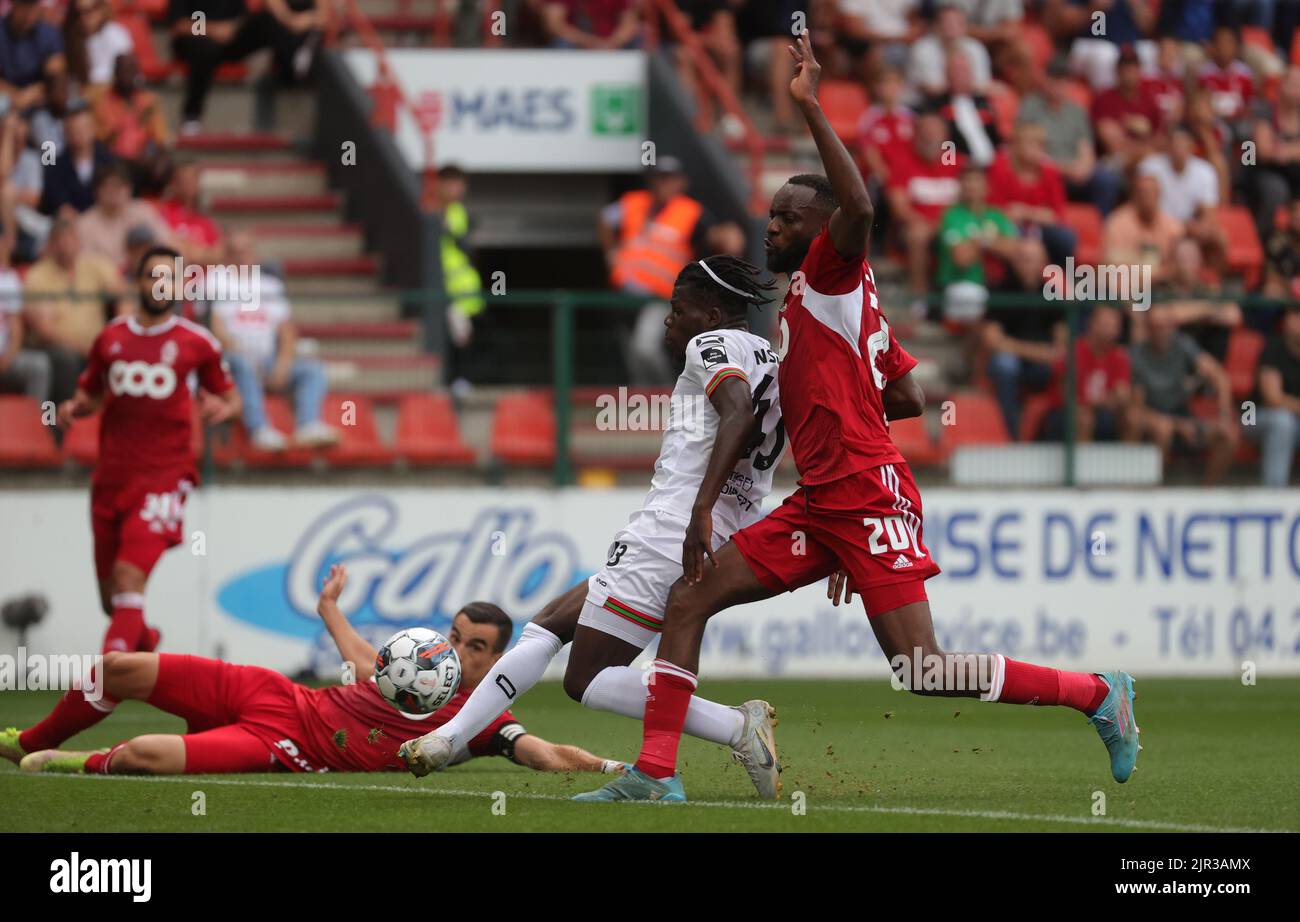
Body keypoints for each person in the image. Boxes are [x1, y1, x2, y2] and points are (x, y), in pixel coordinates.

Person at [575, 31, 1140, 804]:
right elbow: (903, 395)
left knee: (924, 671)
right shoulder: (827, 303)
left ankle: (1097, 693)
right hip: (824, 498)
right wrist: (841, 420)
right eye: (771, 215)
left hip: (864, 493)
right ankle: (656, 774)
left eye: (784, 217)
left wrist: (808, 104)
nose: (770, 227)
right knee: (690, 594)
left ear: (820, 227)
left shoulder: (832, 271)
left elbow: (864, 205)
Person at [400, 255, 785, 800]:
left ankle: (728, 730)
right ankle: (448, 737)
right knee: (552, 621)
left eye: (678, 309)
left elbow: (738, 413)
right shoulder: (774, 357)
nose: (670, 321)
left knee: (587, 678)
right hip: (720, 525)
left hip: (675, 527)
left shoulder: (710, 345)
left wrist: (699, 507)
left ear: (713, 312)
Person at [2, 565, 624, 776]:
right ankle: (30, 742)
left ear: (498, 658)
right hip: (277, 694)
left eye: (474, 646)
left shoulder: (481, 719)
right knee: (119, 667)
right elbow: (361, 661)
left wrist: (608, 767)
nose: (457, 650)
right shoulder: (417, 663)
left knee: (141, 755)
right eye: (455, 635)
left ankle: (73, 763)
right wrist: (329, 606)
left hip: (287, 745)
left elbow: (541, 752)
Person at [54, 245, 241, 664]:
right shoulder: (111, 338)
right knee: (114, 601)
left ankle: (103, 684)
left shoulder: (198, 343)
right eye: (153, 276)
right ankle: (144, 639)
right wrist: (72, 407)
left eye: (170, 277)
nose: (161, 284)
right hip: (111, 479)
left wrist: (221, 409)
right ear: (138, 283)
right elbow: (91, 394)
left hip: (164, 476)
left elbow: (232, 399)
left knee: (127, 578)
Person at [599, 156, 742, 384]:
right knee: (631, 354)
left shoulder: (691, 212)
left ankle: (666, 394)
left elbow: (717, 236)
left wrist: (728, 235)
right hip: (624, 294)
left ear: (681, 182)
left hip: (661, 296)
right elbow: (606, 218)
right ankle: (644, 399)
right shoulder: (634, 202)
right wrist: (611, 253)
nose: (663, 184)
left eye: (669, 179)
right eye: (659, 179)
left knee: (645, 347)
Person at [209, 231, 338, 450]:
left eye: (245, 251)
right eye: (234, 252)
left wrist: (282, 364)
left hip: (267, 360)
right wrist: (242, 354)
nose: (241, 257)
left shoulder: (270, 286)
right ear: (226, 255)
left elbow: (287, 331)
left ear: (253, 254)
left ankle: (308, 425)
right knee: (241, 363)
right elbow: (214, 327)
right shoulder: (214, 281)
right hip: (230, 361)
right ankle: (259, 429)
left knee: (312, 370)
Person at [22, 216, 128, 403]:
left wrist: (118, 332)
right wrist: (85, 349)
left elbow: (124, 296)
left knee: (128, 349)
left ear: (78, 241)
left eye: (69, 239)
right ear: (50, 245)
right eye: (58, 241)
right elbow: (45, 330)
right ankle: (61, 423)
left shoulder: (95, 265)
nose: (64, 246)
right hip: (58, 348)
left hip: (96, 345)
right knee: (65, 360)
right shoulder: (38, 275)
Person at [1129, 303, 1237, 484]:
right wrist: (1178, 425)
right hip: (1151, 416)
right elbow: (1137, 408)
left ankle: (1207, 493)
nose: (1161, 331)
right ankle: (1155, 491)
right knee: (1162, 429)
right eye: (1156, 327)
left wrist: (1224, 414)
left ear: (1173, 327)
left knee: (1229, 434)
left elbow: (1220, 378)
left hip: (1181, 413)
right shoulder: (1137, 355)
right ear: (1148, 329)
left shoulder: (1183, 344)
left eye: (1166, 326)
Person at [1040, 303, 1135, 444]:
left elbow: (1122, 395)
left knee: (1132, 417)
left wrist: (1114, 400)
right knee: (1084, 417)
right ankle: (1081, 465)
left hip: (1101, 412)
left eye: (1114, 325)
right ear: (1092, 324)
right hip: (1063, 414)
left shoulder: (1120, 356)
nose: (1110, 329)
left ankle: (1128, 464)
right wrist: (1104, 401)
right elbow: (1068, 397)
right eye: (1105, 324)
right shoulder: (1074, 351)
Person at [75, 160, 175, 270]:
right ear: (96, 192)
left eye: (118, 186)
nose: (113, 192)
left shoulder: (143, 211)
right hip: (105, 283)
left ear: (129, 188)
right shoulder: (84, 224)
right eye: (108, 187)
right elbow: (85, 267)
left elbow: (167, 245)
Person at [1252, 304, 1300, 487]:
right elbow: (1273, 399)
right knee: (1282, 421)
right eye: (1295, 314)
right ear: (1286, 320)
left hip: (1295, 420)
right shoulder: (1274, 347)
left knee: (1285, 421)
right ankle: (1275, 493)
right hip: (1251, 414)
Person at [0, 251, 50, 401]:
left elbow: (16, 327)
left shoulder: (8, 278)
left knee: (39, 365)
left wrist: (7, 359)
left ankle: (37, 423)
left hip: (5, 357)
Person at [0, 0, 65, 111]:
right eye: (24, 6)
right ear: (13, 5)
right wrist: (17, 96)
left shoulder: (48, 32)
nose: (29, 12)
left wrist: (44, 87)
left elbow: (58, 73)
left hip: (40, 98)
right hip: (8, 99)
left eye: (32, 6)